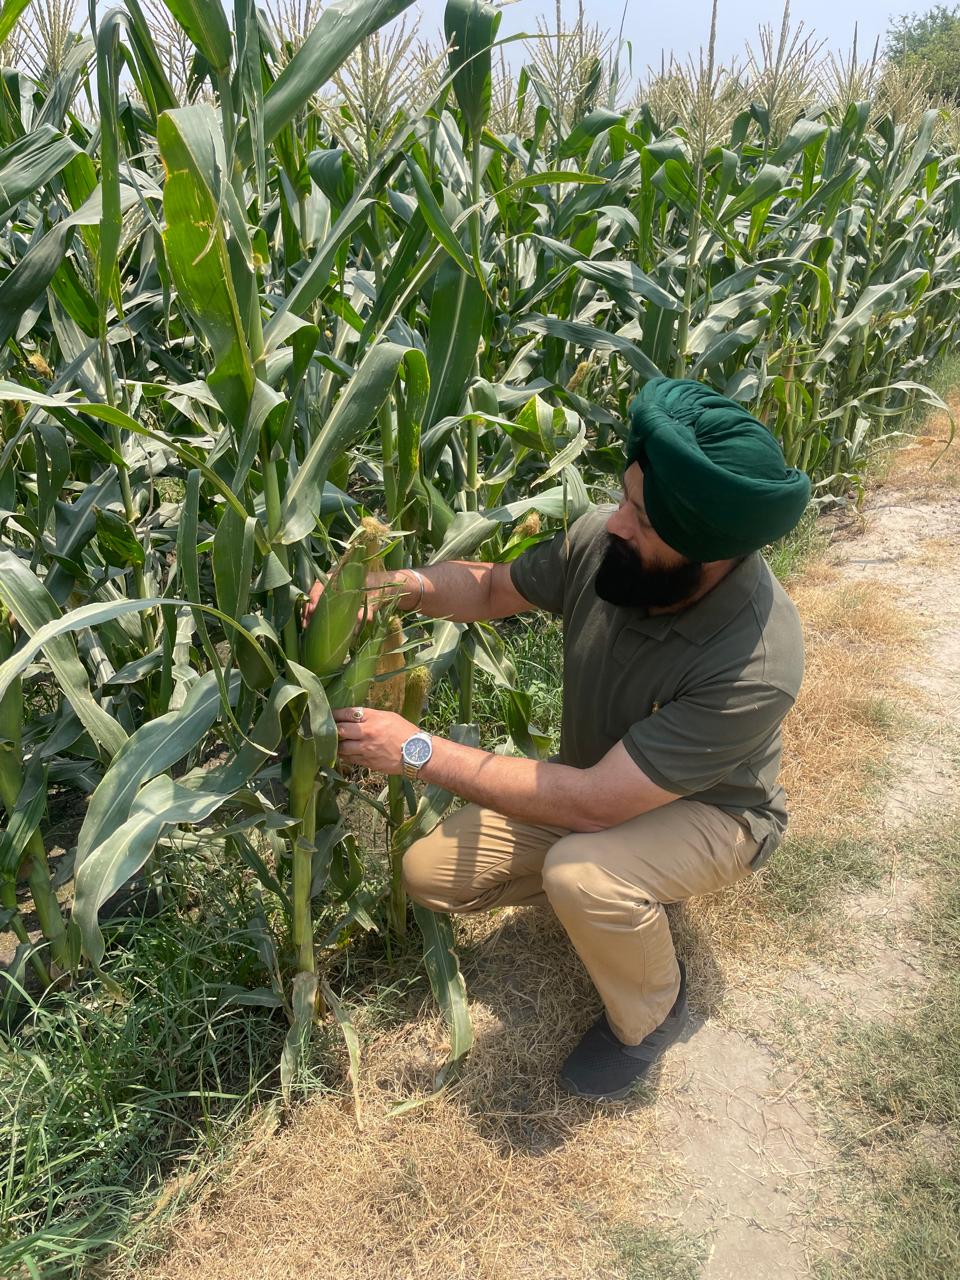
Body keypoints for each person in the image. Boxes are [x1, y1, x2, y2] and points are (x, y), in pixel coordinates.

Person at [312, 377, 811, 1101]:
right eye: (625, 498)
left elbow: (594, 805)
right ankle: (627, 891)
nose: (616, 524)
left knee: (583, 872)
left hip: (715, 812)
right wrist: (396, 586)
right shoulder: (610, 547)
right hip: (599, 782)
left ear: (705, 552)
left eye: (642, 518)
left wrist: (417, 750)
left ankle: (652, 1012)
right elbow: (490, 588)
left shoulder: (756, 661)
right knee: (430, 872)